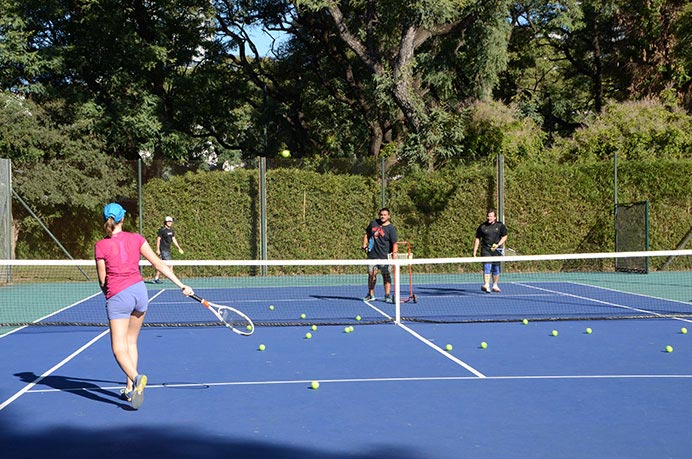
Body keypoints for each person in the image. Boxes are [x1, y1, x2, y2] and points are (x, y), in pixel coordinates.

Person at [95, 203, 194, 409]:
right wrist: (181, 285)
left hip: (118, 296)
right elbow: (159, 264)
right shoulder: (137, 238)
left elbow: (103, 280)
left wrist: (110, 297)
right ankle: (130, 388)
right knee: (131, 341)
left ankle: (136, 378)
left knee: (118, 348)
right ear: (123, 219)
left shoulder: (101, 246)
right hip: (140, 293)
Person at [362, 208, 398, 302]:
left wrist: (394, 255)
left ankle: (387, 295)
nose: (383, 216)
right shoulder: (373, 223)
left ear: (388, 216)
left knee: (386, 275)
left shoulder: (391, 228)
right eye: (381, 214)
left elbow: (394, 243)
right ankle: (371, 294)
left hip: (385, 257)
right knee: (371, 275)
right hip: (372, 256)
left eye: (385, 215)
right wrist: (364, 245)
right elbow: (367, 234)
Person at [472, 208, 508, 293]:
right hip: (485, 249)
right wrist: (474, 251)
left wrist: (498, 244)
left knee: (496, 268)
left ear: (495, 217)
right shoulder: (482, 227)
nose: (489, 218)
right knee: (487, 266)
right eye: (488, 216)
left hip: (496, 250)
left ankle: (495, 285)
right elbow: (477, 239)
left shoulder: (500, 226)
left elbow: (505, 236)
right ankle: (486, 285)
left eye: (491, 216)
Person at [153, 216, 184, 284]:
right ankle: (174, 279)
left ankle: (156, 278)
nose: (170, 223)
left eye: (171, 222)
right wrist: (157, 249)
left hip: (168, 249)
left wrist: (178, 247)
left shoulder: (171, 230)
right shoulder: (162, 230)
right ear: (166, 222)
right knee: (170, 264)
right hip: (163, 250)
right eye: (168, 222)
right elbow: (158, 240)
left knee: (162, 264)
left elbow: (173, 239)